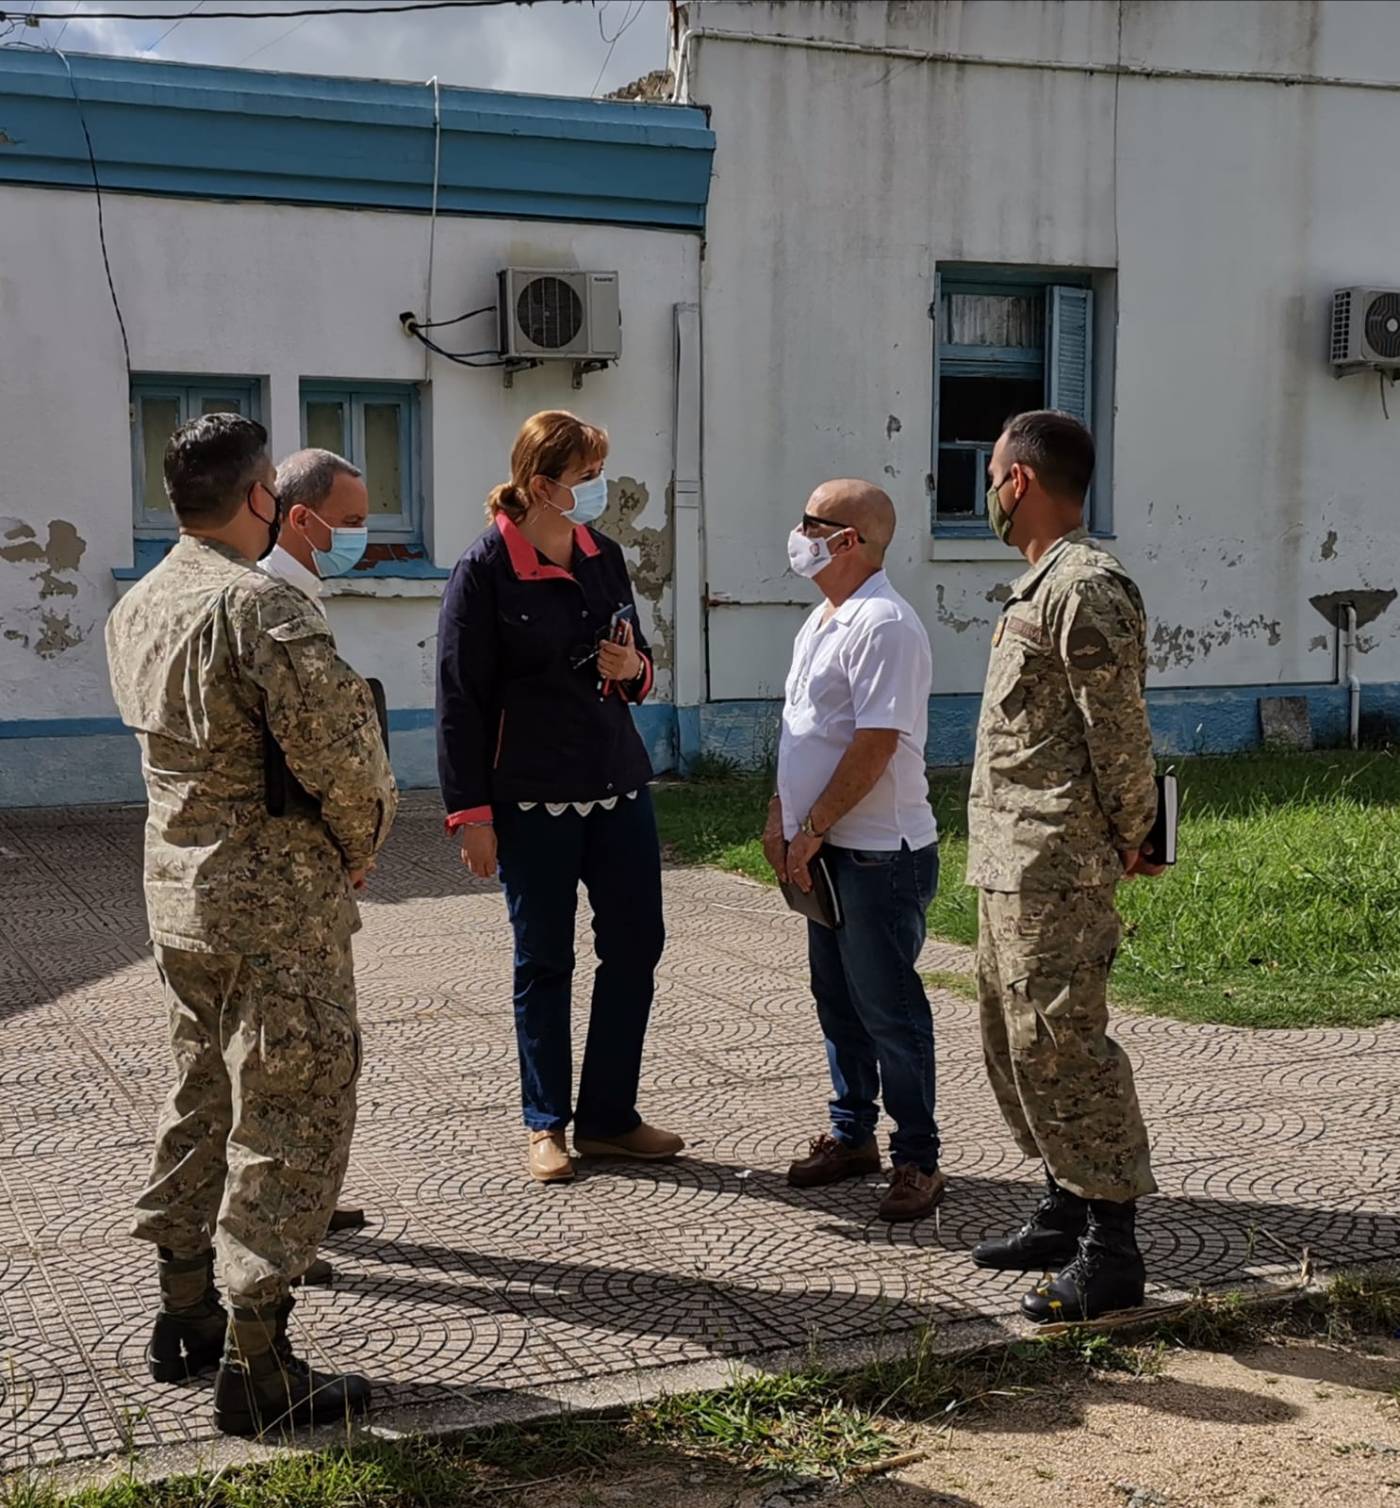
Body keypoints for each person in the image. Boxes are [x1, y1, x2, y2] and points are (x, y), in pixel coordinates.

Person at [106, 413, 398, 1436]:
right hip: (273, 901)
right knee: (293, 1106)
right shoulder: (257, 605)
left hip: (179, 891)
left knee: (201, 1088)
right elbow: (345, 760)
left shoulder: (141, 602)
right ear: (259, 495)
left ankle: (183, 1310)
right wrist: (360, 844)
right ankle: (258, 1363)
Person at [436, 410, 681, 1184]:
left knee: (636, 946)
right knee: (544, 960)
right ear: (543, 486)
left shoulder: (604, 556)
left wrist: (631, 669)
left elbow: (638, 662)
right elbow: (459, 699)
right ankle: (546, 1123)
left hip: (616, 784)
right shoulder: (484, 568)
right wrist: (472, 816)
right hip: (530, 799)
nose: (599, 488)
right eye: (587, 477)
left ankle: (610, 1118)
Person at [967, 409, 1163, 1323]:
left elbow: (1118, 731)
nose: (989, 493)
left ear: (1020, 481)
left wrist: (1136, 833)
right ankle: (1064, 1206)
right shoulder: (1036, 587)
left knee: (1063, 1047)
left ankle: (1111, 1252)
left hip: (1060, 864)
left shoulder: (1084, 587)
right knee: (1015, 1045)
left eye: (993, 477)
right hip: (1011, 859)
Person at [763, 480, 944, 1223]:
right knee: (837, 1001)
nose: (798, 533)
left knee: (888, 1011)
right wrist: (781, 817)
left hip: (878, 855)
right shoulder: (823, 619)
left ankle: (918, 1158)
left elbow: (875, 743)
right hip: (827, 848)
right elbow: (802, 731)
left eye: (811, 522)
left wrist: (812, 827)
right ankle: (852, 1133)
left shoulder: (885, 624)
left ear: (848, 540)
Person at [260, 447, 376, 1264]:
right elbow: (321, 751)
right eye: (354, 522)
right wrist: (355, 841)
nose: (364, 539)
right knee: (297, 1058)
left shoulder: (297, 590)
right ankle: (280, 1229)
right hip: (285, 870)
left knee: (298, 1054)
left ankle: (305, 1199)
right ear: (301, 518)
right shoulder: (272, 602)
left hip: (283, 862)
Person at [260, 447, 370, 611]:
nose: (361, 532)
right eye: (352, 521)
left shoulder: (303, 591)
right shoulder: (265, 599)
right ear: (301, 520)